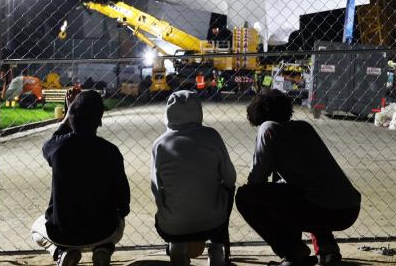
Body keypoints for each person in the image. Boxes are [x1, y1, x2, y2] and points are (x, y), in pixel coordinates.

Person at [236, 89, 360, 266]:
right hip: (348, 209)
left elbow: (257, 180)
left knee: (246, 196)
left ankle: (294, 252)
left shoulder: (268, 128)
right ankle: (328, 250)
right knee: (306, 189)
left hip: (322, 208)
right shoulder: (304, 127)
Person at [31, 89, 130, 266]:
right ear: (99, 120)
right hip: (103, 230)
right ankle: (104, 249)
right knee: (118, 219)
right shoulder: (110, 151)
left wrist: (67, 115)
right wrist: (120, 212)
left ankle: (61, 252)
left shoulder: (58, 148)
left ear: (70, 117)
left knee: (36, 229)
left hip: (64, 233)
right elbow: (124, 200)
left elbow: (54, 140)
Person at [150, 90, 236, 266]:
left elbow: (156, 188)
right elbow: (230, 178)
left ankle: (176, 249)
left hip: (172, 226)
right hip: (214, 222)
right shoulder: (212, 136)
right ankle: (217, 249)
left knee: (169, 194)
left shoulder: (159, 144)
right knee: (227, 189)